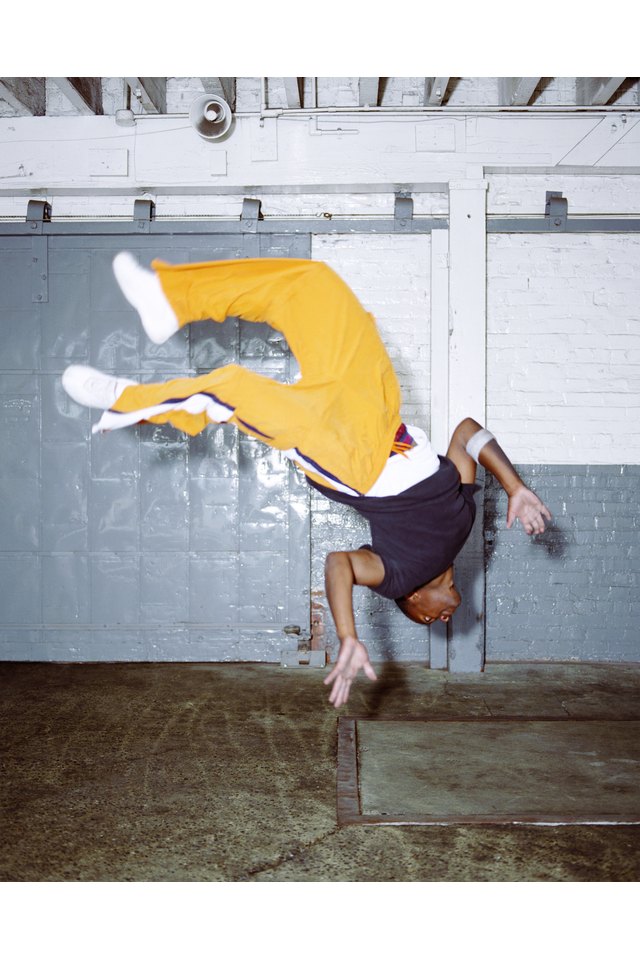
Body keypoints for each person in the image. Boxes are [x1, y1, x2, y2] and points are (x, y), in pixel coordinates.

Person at [62, 254, 551, 708]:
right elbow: (466, 433)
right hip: (378, 414)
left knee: (233, 391)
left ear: (413, 597)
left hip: (354, 464)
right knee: (314, 285)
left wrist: (348, 635)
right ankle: (171, 297)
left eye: (423, 618)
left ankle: (123, 401)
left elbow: (339, 564)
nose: (440, 620)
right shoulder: (462, 522)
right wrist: (514, 487)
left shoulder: (397, 573)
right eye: (435, 620)